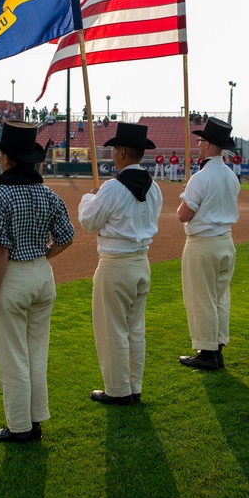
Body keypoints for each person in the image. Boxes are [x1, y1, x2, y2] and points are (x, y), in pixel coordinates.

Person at [0, 121, 75, 443]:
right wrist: (43, 256)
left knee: (12, 356)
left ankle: (19, 426)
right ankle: (35, 421)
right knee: (36, 353)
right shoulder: (46, 192)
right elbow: (67, 237)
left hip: (15, 276)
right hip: (42, 277)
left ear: (7, 158)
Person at [77, 123, 163, 406]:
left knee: (111, 328)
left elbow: (89, 222)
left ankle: (116, 389)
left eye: (115, 150)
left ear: (123, 152)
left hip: (115, 264)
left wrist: (89, 197)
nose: (114, 154)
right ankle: (133, 386)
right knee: (134, 328)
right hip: (141, 262)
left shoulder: (112, 188)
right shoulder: (155, 188)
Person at [176, 117, 240, 371]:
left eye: (201, 141)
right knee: (220, 297)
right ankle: (216, 347)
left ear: (209, 145)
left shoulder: (201, 177)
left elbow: (183, 214)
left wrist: (188, 195)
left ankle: (206, 351)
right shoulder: (230, 175)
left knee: (201, 297)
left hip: (204, 243)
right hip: (226, 240)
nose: (199, 144)